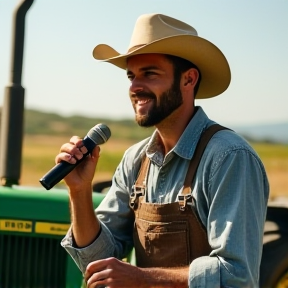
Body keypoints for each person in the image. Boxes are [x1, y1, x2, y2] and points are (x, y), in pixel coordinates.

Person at [58, 13, 269, 287]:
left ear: (188, 79)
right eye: (131, 76)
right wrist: (79, 191)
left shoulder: (229, 158)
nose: (134, 87)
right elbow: (97, 264)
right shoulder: (135, 160)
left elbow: (237, 277)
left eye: (150, 73)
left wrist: (141, 278)